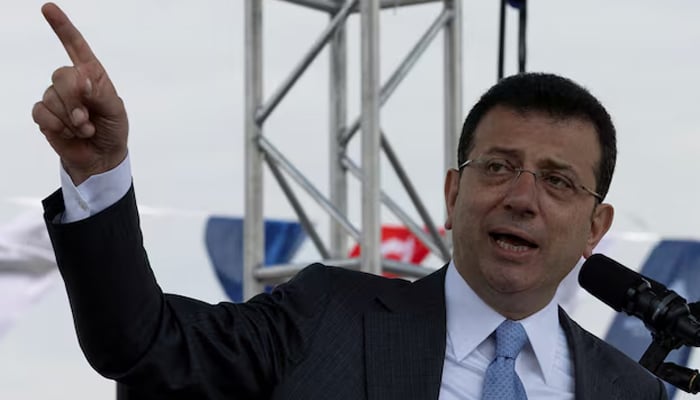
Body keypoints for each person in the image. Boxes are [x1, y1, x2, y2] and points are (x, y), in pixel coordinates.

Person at [32, 3, 667, 400]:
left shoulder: (634, 390)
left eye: (558, 181)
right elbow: (144, 346)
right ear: (453, 193)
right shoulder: (326, 319)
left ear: (595, 226)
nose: (523, 198)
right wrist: (99, 172)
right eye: (498, 167)